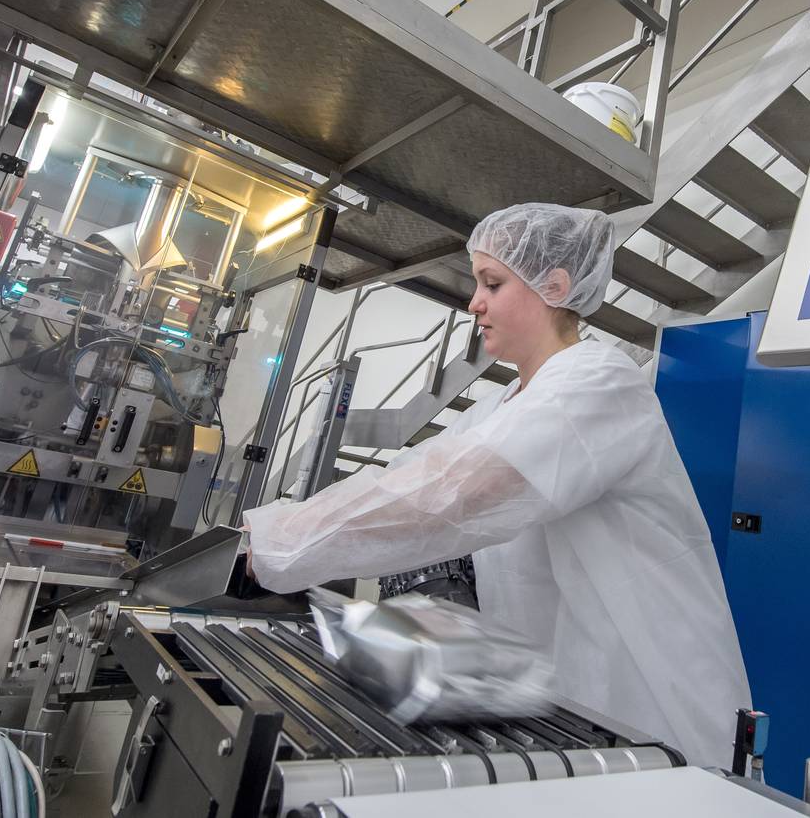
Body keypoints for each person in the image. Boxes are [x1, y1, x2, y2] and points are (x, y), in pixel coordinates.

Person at [242, 202, 752, 768]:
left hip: (650, 705)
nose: (473, 302)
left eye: (492, 283)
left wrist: (275, 545)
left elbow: (450, 494)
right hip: (565, 717)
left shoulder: (599, 384)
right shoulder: (496, 404)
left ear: (554, 286)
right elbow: (411, 476)